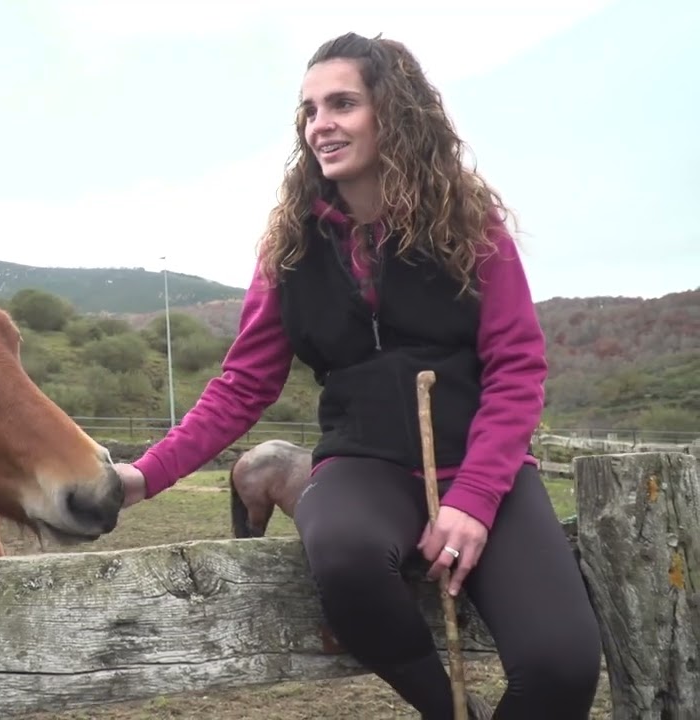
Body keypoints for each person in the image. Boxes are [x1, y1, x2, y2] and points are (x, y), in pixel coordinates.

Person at [115, 33, 602, 719]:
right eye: (310, 110)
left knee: (563, 664)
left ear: (394, 113)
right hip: (362, 463)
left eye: (342, 103)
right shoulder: (288, 246)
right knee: (343, 556)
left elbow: (517, 366)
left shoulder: (469, 226)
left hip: (479, 464)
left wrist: (474, 499)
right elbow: (243, 385)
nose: (321, 125)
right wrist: (146, 473)